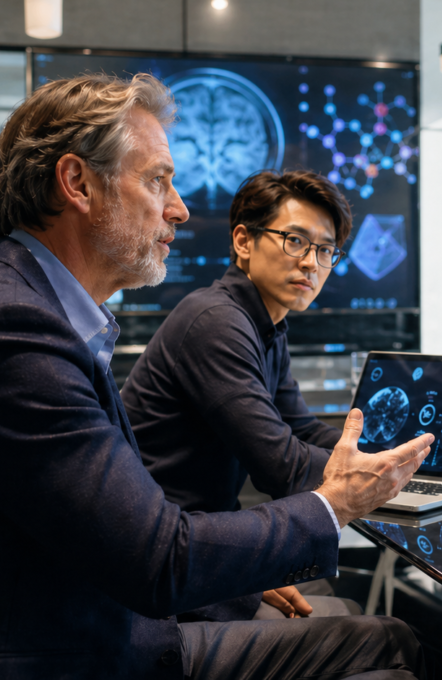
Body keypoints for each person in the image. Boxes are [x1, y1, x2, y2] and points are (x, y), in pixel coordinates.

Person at [0, 73, 433, 679]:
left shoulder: (38, 311)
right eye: (158, 180)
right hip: (89, 652)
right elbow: (161, 559)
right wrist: (336, 504)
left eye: (324, 250)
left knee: (386, 639)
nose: (180, 209)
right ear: (77, 183)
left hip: (120, 611)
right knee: (391, 647)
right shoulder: (15, 328)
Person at [121, 170, 350, 621]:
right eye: (295, 240)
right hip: (169, 568)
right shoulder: (216, 320)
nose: (311, 263)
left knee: (334, 594)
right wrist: (381, 476)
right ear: (244, 242)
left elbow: (300, 427)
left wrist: (392, 457)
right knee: (364, 620)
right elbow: (281, 466)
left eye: (325, 250)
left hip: (203, 545)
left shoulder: (265, 324)